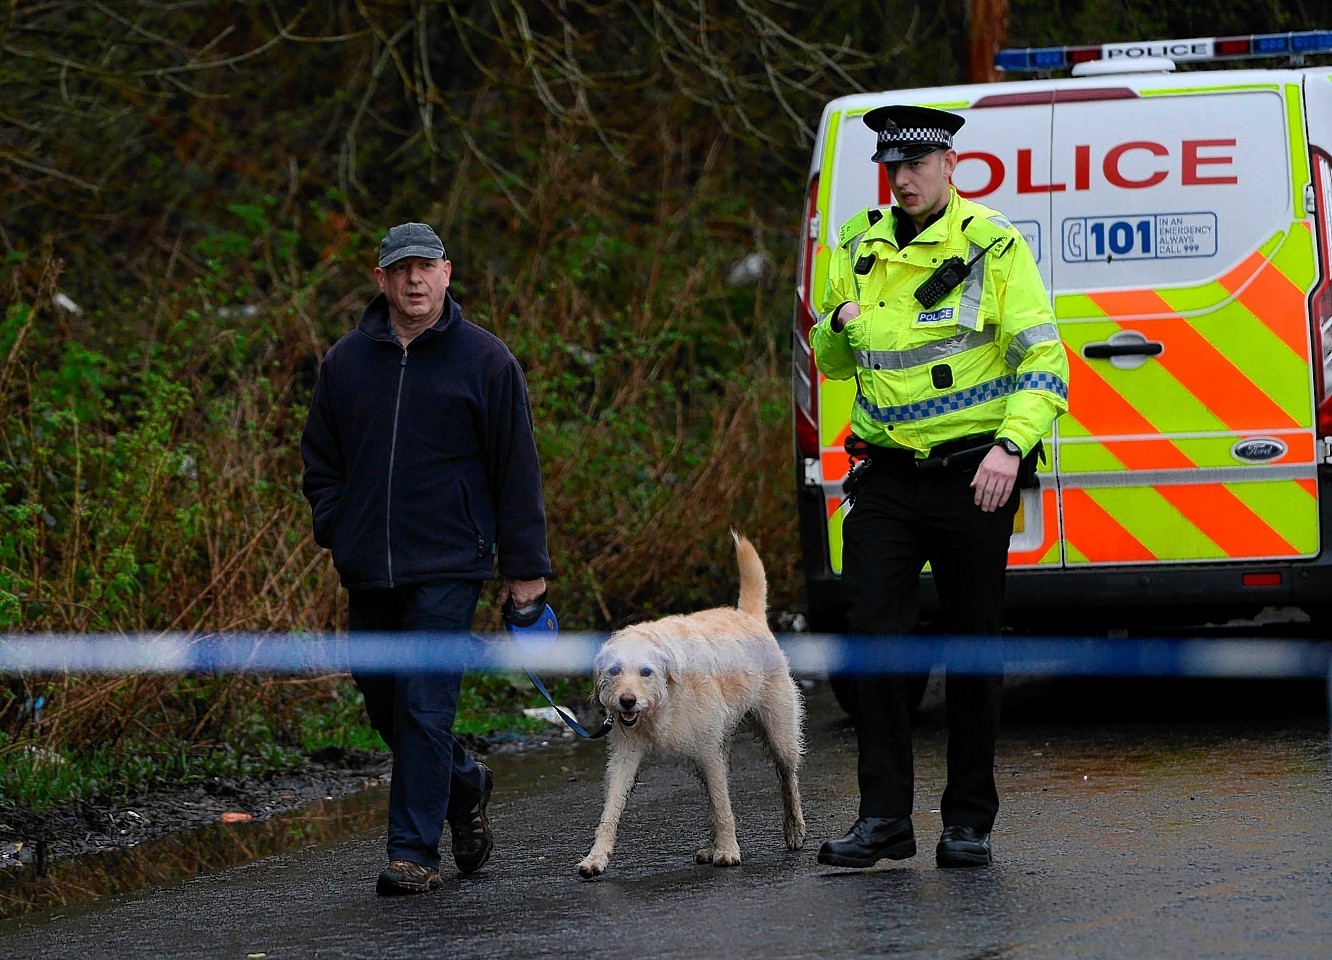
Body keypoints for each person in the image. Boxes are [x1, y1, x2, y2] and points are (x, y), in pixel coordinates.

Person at [810, 106, 1069, 869]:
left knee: (972, 650)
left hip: (973, 477)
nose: (904, 178)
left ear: (951, 165)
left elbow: (1045, 364)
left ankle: (968, 822)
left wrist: (1009, 449)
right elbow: (832, 360)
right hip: (886, 476)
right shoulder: (858, 241)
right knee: (874, 649)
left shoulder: (993, 244)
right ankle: (884, 820)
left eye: (918, 164)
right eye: (893, 166)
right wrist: (842, 321)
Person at [301, 222, 551, 895]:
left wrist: (525, 570)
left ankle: (412, 854)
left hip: (449, 564)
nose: (415, 280)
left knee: (424, 704)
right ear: (380, 279)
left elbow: (516, 470)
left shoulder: (486, 361)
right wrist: (336, 524)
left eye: (427, 267)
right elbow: (320, 461)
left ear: (447, 274)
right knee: (385, 705)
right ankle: (465, 785)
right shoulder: (345, 363)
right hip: (368, 567)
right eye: (401, 268)